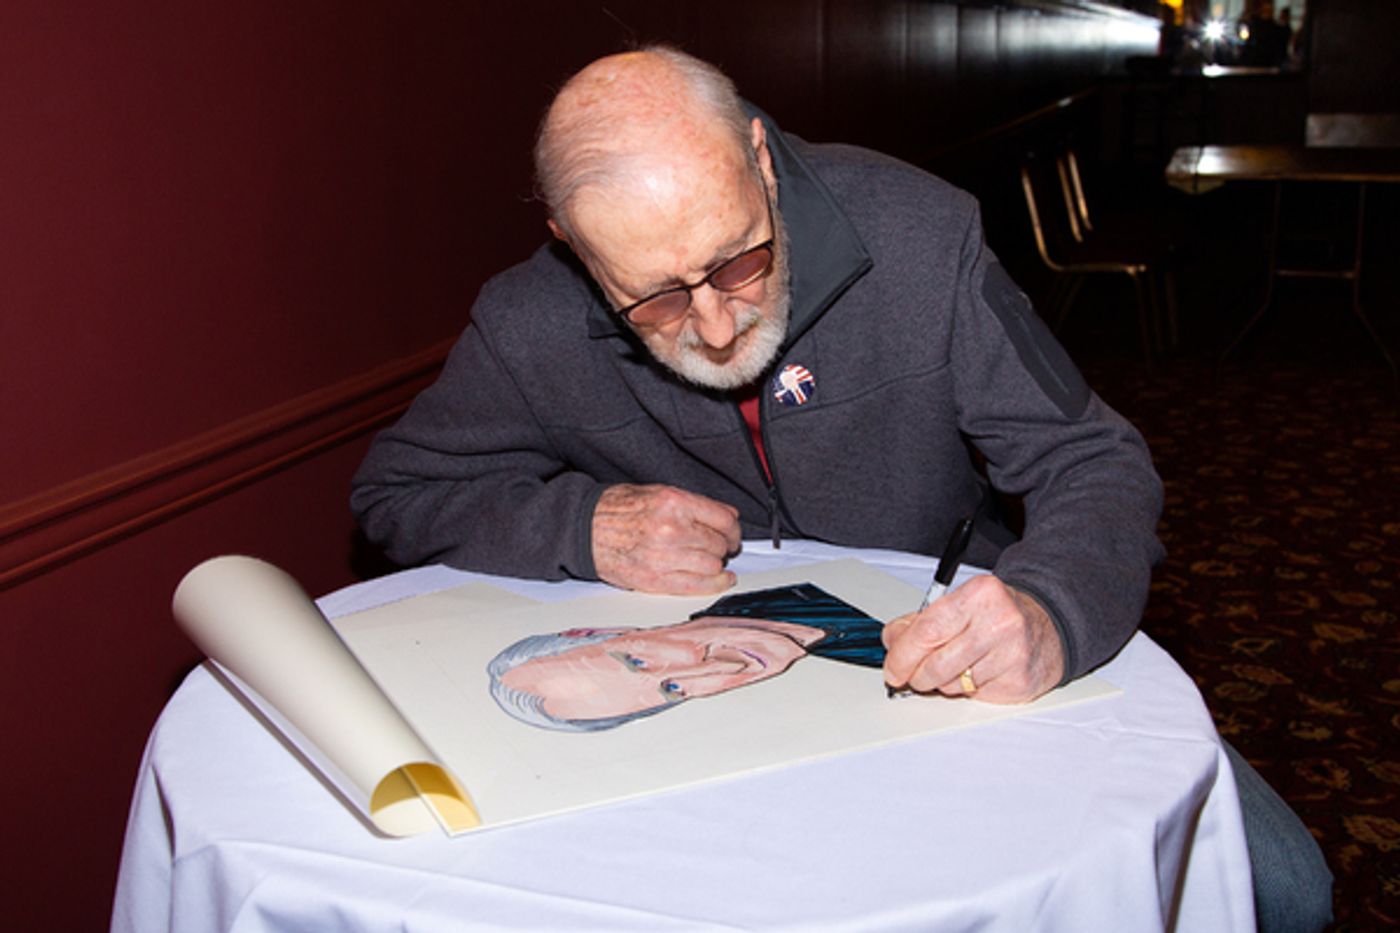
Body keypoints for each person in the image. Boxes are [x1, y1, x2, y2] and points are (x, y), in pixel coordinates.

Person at [352, 47, 1331, 930]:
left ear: (762, 160)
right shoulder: (528, 321)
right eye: (651, 297)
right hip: (712, 717)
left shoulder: (918, 235)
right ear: (571, 243)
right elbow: (395, 491)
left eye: (738, 261)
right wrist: (578, 523)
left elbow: (1092, 461)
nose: (717, 328)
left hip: (951, 648)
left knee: (1283, 889)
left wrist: (1047, 610)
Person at [489, 583, 886, 731]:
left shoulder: (793, 590)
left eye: (637, 662)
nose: (714, 670)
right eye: (673, 690)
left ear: (596, 632)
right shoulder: (869, 666)